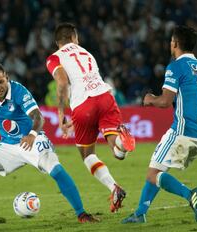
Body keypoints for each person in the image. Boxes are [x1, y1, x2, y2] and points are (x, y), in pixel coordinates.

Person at [0, 61, 98, 229]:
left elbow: (38, 117)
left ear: (7, 78)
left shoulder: (19, 92)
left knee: (56, 169)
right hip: (8, 146)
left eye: (1, 81)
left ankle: (82, 214)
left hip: (33, 140)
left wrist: (32, 135)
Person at [122, 25, 197, 224]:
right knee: (157, 169)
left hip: (183, 132)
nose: (170, 44)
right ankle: (140, 213)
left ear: (175, 43)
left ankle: (191, 195)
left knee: (153, 174)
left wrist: (149, 99)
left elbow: (164, 101)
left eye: (171, 41)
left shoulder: (176, 66)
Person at [46, 22, 136, 213]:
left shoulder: (54, 58)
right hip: (105, 97)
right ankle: (120, 143)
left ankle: (114, 187)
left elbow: (62, 82)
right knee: (117, 153)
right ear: (74, 38)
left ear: (57, 42)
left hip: (83, 105)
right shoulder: (86, 53)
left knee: (87, 156)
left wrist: (61, 113)